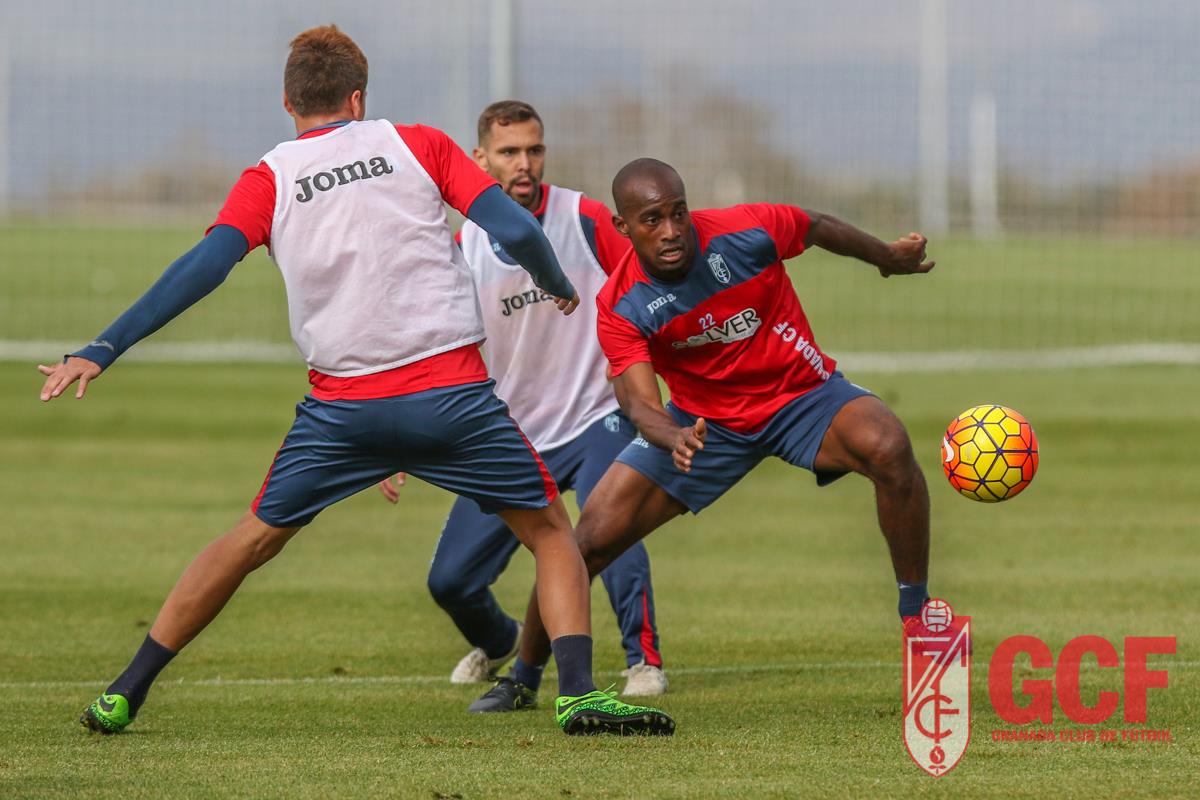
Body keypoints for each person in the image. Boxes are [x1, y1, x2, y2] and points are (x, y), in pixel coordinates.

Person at [38, 27, 673, 738]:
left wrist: (105, 345)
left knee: (250, 541)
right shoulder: (418, 145)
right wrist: (556, 283)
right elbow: (519, 235)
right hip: (451, 398)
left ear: (288, 103)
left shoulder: (269, 177)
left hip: (343, 409)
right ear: (359, 96)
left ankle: (126, 690)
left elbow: (204, 266)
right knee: (554, 533)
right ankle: (580, 695)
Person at [510, 157, 937, 679]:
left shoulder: (745, 231)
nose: (670, 232)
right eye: (651, 220)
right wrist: (673, 436)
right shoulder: (622, 304)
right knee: (586, 542)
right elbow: (639, 403)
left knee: (888, 446)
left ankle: (917, 616)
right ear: (624, 227)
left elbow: (818, 226)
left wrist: (886, 257)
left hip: (801, 397)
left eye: (678, 213)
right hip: (702, 426)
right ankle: (523, 675)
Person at [377, 101, 667, 709]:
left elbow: (646, 296)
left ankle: (642, 661)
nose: (524, 163)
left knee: (609, 529)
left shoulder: (585, 218)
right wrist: (398, 437)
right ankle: (499, 638)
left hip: (596, 417)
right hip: (511, 433)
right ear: (479, 158)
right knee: (450, 580)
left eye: (534, 149)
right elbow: (429, 341)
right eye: (509, 152)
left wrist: (653, 391)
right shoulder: (463, 244)